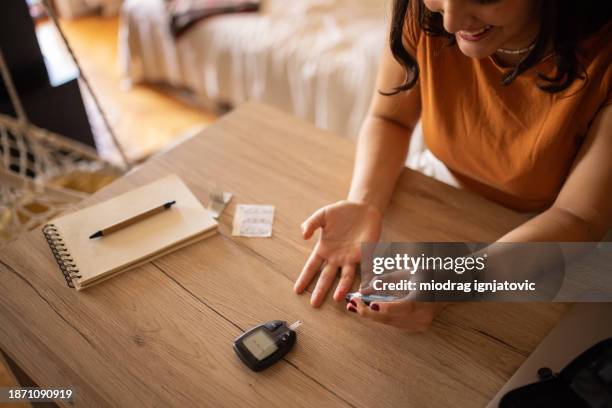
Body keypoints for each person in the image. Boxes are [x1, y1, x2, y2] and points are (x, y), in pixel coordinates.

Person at [293, 0, 612, 331]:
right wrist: (364, 203)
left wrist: (451, 282)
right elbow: (390, 118)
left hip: (550, 236)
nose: (450, 22)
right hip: (442, 192)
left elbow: (580, 219)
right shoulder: (424, 10)